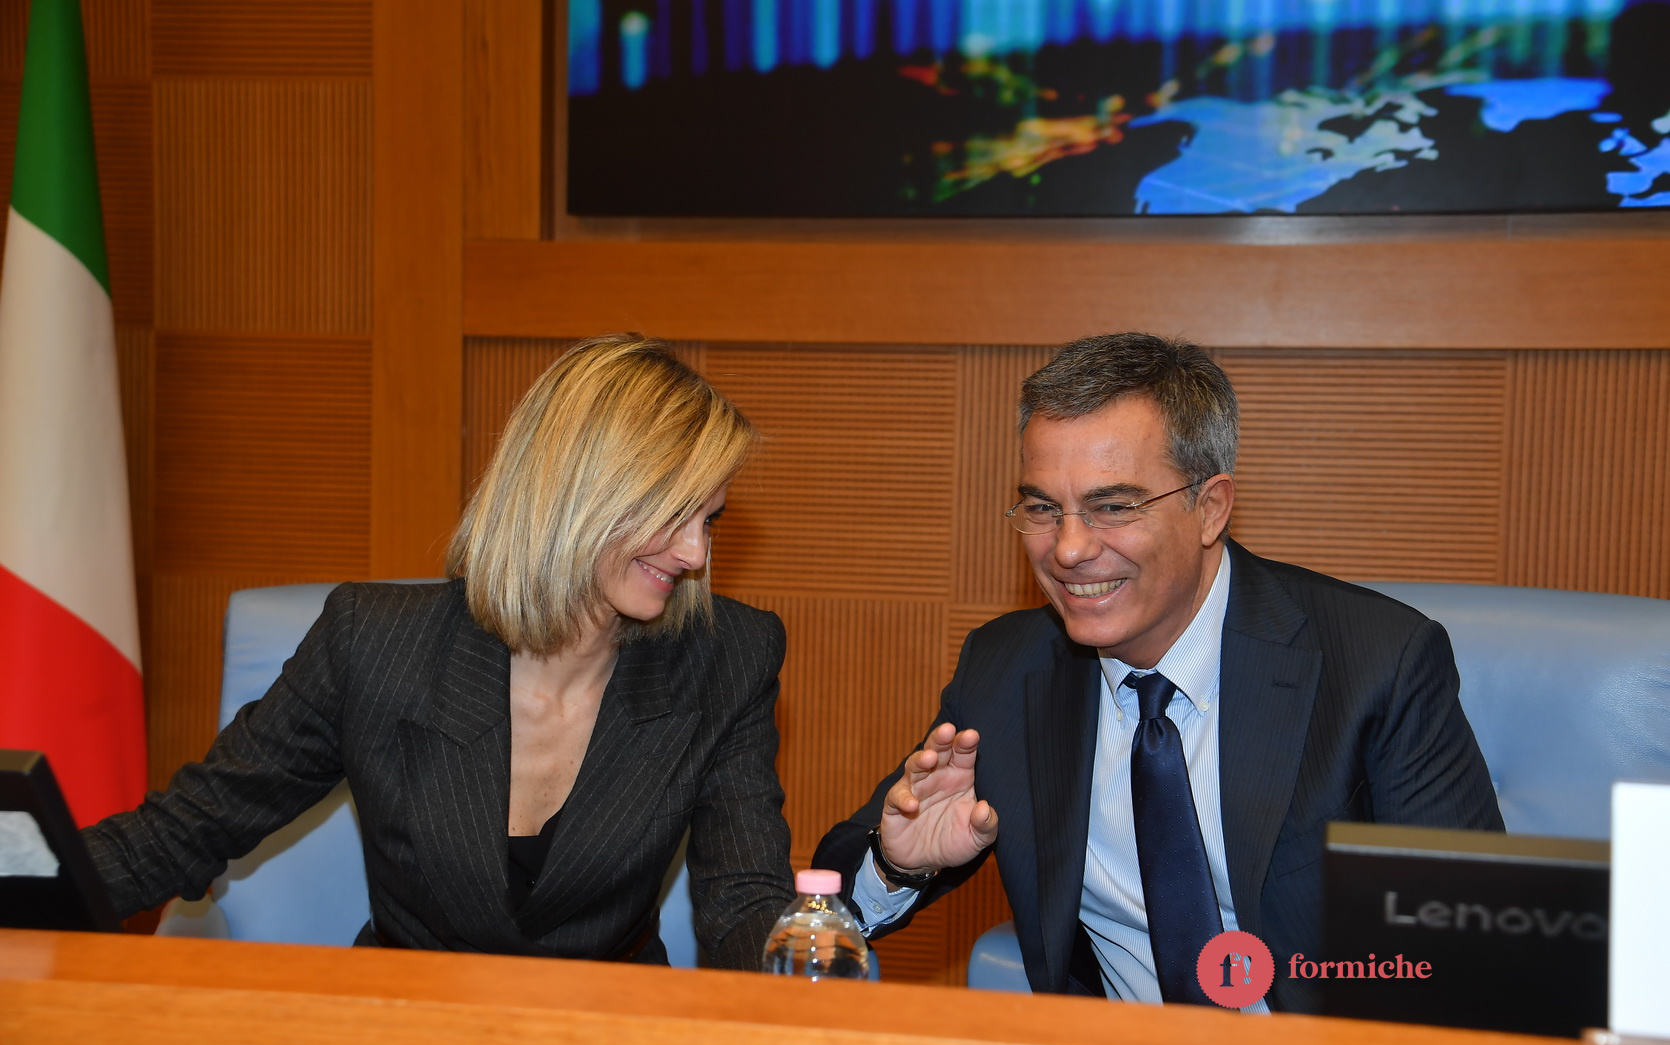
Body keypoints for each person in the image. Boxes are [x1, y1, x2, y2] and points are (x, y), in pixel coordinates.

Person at [813, 333, 1503, 1011]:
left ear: (1210, 509)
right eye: (1044, 509)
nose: (1069, 549)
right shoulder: (1009, 669)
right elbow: (828, 900)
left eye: (1113, 507)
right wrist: (898, 864)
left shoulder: (1376, 662)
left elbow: (1474, 943)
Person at [84, 335, 795, 968]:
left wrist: (808, 972)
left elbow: (743, 900)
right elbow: (192, 827)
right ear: (579, 497)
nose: (695, 553)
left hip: (606, 1026)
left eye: (709, 520)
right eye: (674, 514)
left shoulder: (729, 658)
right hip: (412, 1017)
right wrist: (35, 877)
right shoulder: (372, 643)